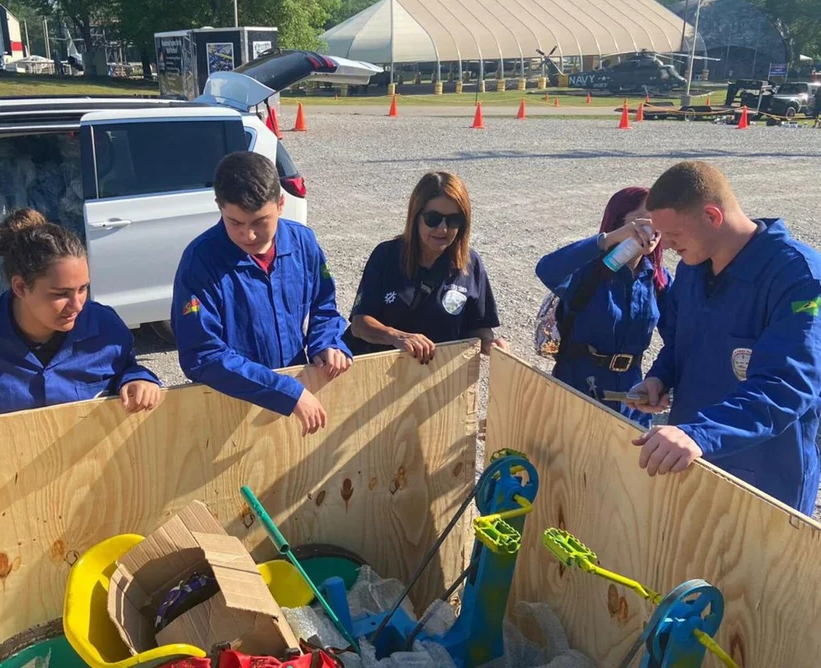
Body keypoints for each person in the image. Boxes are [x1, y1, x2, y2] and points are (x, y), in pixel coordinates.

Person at [628, 161, 821, 515]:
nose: (665, 247)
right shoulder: (692, 269)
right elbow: (679, 341)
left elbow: (787, 385)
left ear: (712, 216)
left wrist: (700, 434)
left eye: (673, 235)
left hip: (766, 478)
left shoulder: (800, 277)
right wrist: (660, 377)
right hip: (692, 461)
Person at [0, 209, 163, 433]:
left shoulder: (105, 326)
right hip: (1, 478)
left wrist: (139, 380)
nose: (77, 305)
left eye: (83, 289)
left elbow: (125, 369)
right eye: (60, 294)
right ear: (21, 287)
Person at [171, 151, 351, 437]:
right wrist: (285, 392)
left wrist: (326, 342)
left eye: (259, 222)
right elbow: (202, 354)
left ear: (280, 204)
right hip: (232, 409)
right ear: (219, 206)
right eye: (236, 223)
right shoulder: (200, 262)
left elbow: (324, 306)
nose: (249, 236)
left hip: (296, 400)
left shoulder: (303, 242)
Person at [535, 187, 671, 424]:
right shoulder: (589, 271)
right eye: (641, 219)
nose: (649, 227)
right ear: (619, 223)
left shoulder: (658, 279)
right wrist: (608, 240)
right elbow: (547, 269)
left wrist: (658, 379)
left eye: (656, 219)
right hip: (579, 390)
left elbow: (680, 338)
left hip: (631, 397)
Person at [346, 171, 506, 362]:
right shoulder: (385, 256)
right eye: (433, 219)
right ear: (415, 217)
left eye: (453, 220)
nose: (443, 229)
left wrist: (490, 344)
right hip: (381, 374)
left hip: (437, 381)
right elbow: (359, 324)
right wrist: (395, 336)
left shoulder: (470, 264)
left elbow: (478, 326)